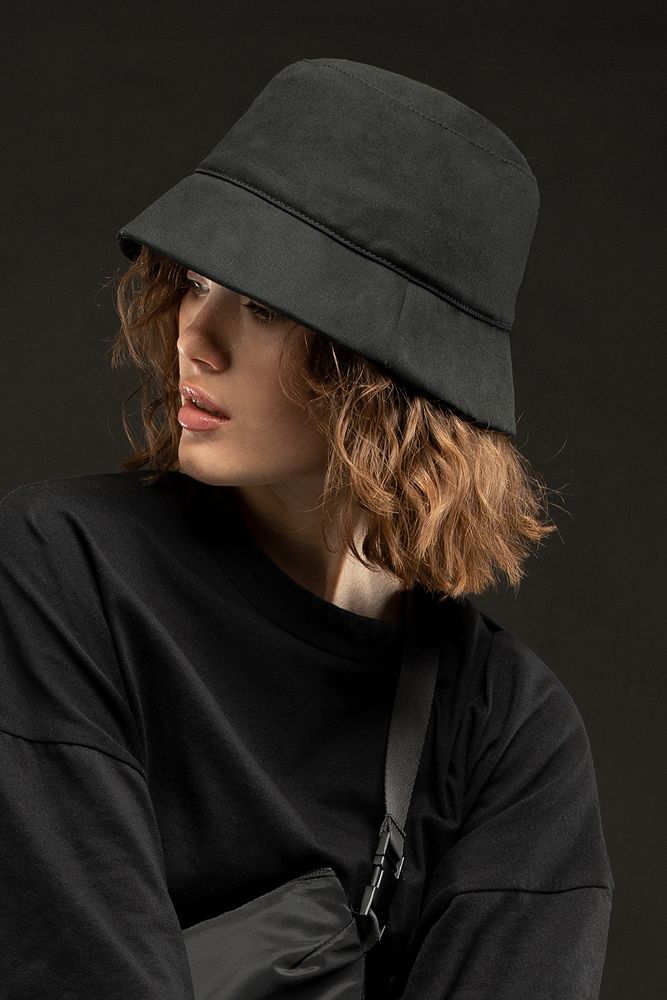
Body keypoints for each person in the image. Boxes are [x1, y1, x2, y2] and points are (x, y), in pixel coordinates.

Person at [0, 58, 613, 998]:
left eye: (262, 304)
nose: (194, 337)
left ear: (388, 375)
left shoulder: (504, 733)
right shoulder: (61, 573)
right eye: (195, 281)